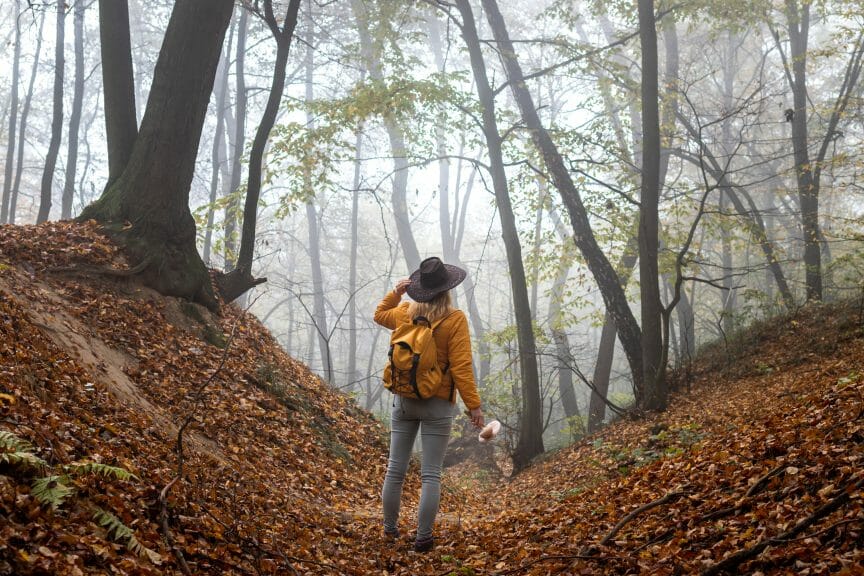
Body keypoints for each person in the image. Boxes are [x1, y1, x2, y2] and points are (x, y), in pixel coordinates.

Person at [373, 256, 484, 553]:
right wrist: (474, 406)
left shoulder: (406, 310)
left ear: (420, 288)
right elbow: (461, 366)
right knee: (430, 474)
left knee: (395, 470)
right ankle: (423, 538)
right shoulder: (455, 318)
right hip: (437, 404)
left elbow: (379, 314)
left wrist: (396, 292)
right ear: (447, 288)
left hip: (404, 399)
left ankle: (390, 531)